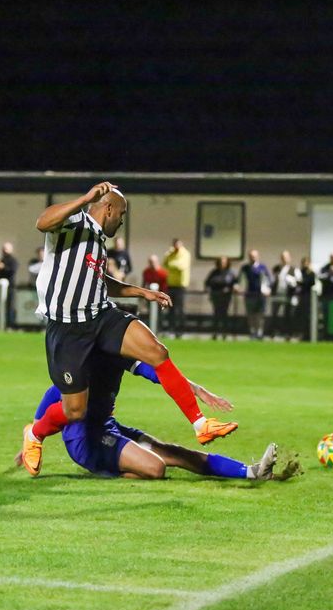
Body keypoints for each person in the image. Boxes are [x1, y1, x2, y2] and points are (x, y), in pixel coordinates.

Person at [25, 182, 237, 475]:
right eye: (121, 213)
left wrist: (142, 292)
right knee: (75, 411)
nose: (122, 221)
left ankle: (201, 424)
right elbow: (42, 221)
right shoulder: (75, 222)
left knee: (156, 351)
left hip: (99, 316)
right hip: (69, 329)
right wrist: (86, 198)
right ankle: (34, 434)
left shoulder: (99, 242)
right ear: (108, 208)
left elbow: (99, 283)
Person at [18, 351, 293, 481]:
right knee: (156, 467)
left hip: (108, 428)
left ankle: (252, 472)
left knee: (173, 452)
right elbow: (54, 395)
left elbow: (157, 373)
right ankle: (106, 470)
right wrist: (33, 436)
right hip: (84, 441)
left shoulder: (117, 355)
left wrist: (195, 389)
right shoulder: (84, 361)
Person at [239, 249, 272, 340]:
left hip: (261, 295)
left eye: (254, 256)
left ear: (258, 256)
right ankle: (252, 331)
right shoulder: (245, 268)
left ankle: (259, 332)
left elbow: (269, 280)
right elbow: (240, 280)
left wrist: (268, 290)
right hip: (249, 294)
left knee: (260, 315)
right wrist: (238, 287)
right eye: (251, 256)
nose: (253, 257)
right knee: (250, 314)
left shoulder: (262, 267)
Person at [163, 238, 191, 337]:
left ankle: (181, 331)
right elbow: (164, 264)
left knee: (180, 309)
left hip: (180, 286)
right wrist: (169, 255)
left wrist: (171, 265)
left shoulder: (185, 254)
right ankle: (171, 329)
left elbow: (181, 266)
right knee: (171, 309)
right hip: (170, 285)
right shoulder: (170, 254)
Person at [204, 256, 237, 340]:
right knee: (216, 314)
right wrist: (207, 288)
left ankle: (224, 333)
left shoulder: (230, 273)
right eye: (221, 262)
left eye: (224, 262)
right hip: (215, 296)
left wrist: (233, 288)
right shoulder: (214, 272)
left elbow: (235, 283)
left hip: (226, 296)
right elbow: (207, 282)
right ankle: (215, 332)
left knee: (224, 314)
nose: (222, 263)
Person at [272, 251, 301, 337]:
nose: (284, 259)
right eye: (283, 257)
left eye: (286, 257)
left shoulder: (294, 269)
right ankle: (275, 331)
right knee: (275, 314)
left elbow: (298, 282)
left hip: (289, 295)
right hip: (277, 294)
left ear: (289, 258)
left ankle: (288, 332)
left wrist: (292, 282)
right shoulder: (276, 268)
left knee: (288, 314)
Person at [0, 242, 18, 328]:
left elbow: (12, 271)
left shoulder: (13, 261)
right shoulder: (2, 260)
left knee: (10, 306)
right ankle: (3, 323)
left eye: (6, 249)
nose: (4, 251)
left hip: (10, 287)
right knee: (3, 306)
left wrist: (4, 267)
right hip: (1, 288)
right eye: (4, 249)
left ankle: (10, 325)